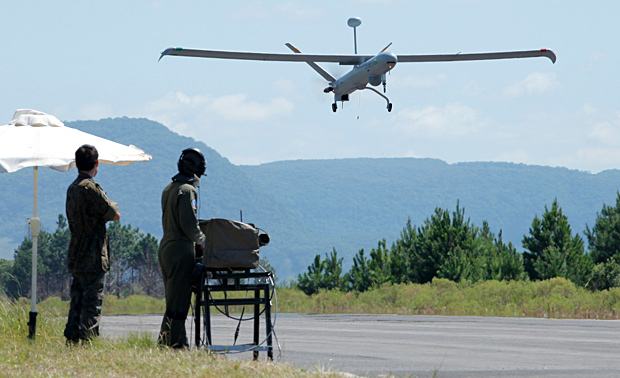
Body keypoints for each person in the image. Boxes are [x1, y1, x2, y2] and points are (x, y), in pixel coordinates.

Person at [64, 144, 120, 343]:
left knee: (76, 302)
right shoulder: (91, 188)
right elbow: (114, 214)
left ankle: (71, 340)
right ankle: (88, 342)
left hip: (76, 253)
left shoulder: (72, 189)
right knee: (92, 304)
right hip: (94, 255)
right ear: (96, 164)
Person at [158, 148, 207, 348]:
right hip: (180, 251)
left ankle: (165, 341)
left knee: (172, 299)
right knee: (179, 302)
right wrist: (207, 244)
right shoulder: (188, 191)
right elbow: (190, 225)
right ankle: (177, 344)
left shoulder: (169, 188)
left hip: (167, 248)